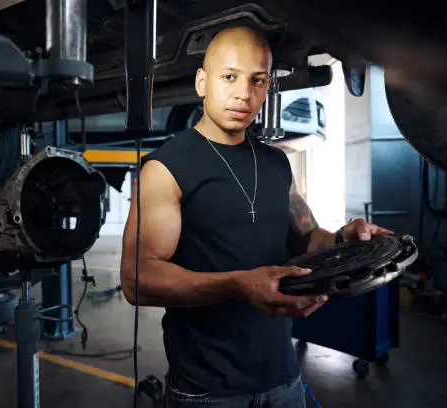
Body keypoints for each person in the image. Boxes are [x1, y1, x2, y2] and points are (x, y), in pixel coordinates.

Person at [119, 26, 393, 408]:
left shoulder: (277, 163)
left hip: (283, 379)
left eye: (258, 80)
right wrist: (240, 284)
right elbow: (138, 279)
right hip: (206, 390)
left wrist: (346, 238)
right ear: (202, 81)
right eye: (229, 77)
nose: (244, 94)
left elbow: (307, 236)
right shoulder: (166, 168)